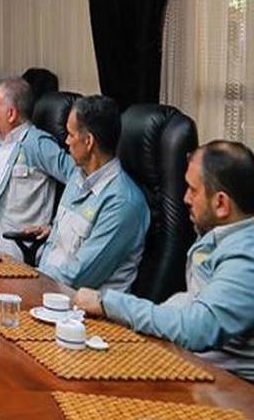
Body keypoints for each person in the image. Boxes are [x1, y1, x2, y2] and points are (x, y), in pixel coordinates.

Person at [75, 141, 254, 382]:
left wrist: (107, 303)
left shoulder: (246, 257)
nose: (185, 198)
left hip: (228, 388)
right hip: (194, 367)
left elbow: (196, 328)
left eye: (193, 190)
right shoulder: (223, 234)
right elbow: (196, 300)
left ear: (221, 204)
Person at [33, 95, 149, 291]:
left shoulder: (122, 203)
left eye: (71, 134)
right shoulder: (77, 177)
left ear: (88, 141)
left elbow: (79, 275)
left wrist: (30, 281)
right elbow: (55, 247)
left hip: (81, 304)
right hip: (49, 290)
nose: (66, 141)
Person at [0, 76, 75, 259]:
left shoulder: (37, 143)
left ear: (11, 114)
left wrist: (55, 227)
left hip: (11, 250)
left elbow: (79, 178)